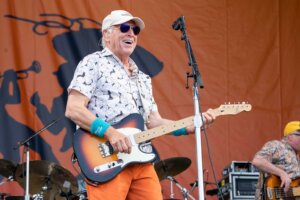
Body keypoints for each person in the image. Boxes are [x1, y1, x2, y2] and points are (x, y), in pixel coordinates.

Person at [65, 10, 216, 200]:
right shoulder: (93, 63)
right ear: (106, 33)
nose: (131, 33)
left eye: (135, 30)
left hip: (142, 160)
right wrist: (111, 132)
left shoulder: (143, 78)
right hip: (107, 159)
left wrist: (190, 125)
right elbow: (73, 109)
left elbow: (153, 122)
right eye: (125, 28)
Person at [252, 121, 300, 199]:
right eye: (299, 134)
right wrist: (282, 174)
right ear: (289, 136)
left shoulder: (296, 156)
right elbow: (258, 161)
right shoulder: (277, 145)